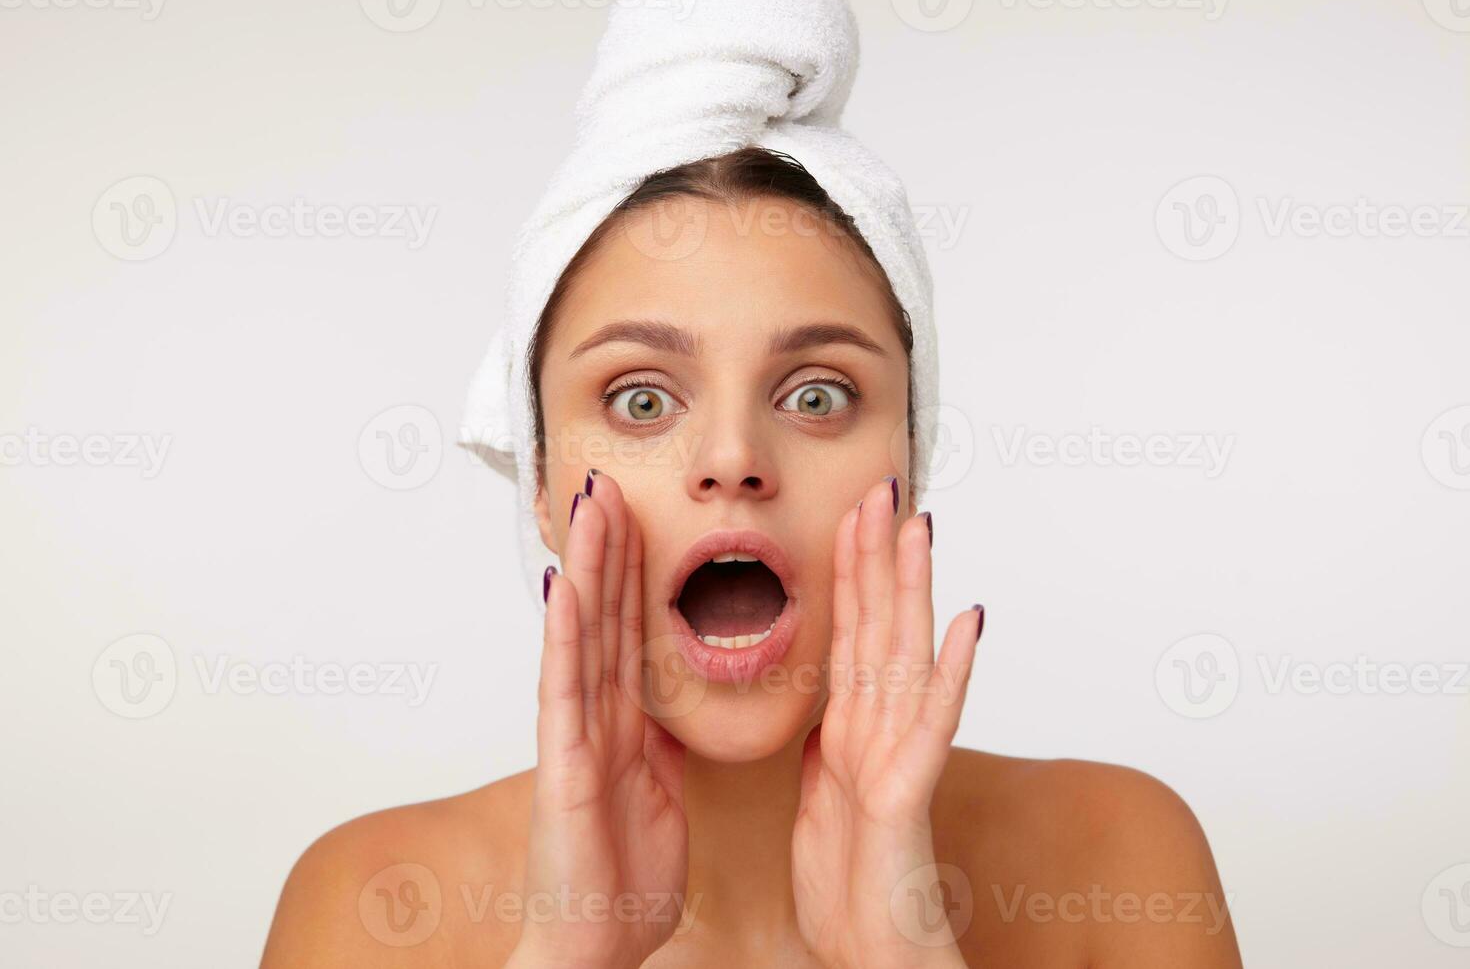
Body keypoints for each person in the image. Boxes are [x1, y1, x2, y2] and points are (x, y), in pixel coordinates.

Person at [260, 147, 1242, 968]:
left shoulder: (1114, 858)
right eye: (641, 400)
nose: (731, 459)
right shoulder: (369, 904)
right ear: (543, 487)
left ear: (911, 465)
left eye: (817, 395)